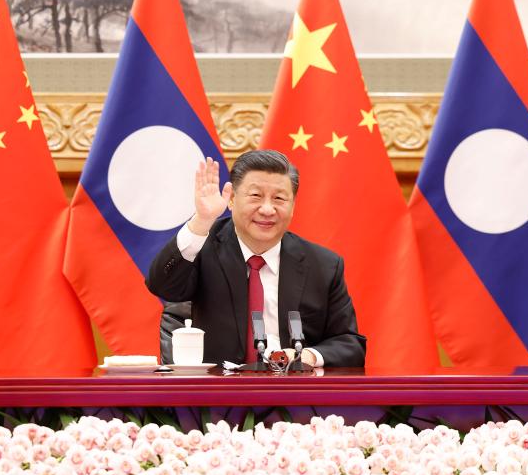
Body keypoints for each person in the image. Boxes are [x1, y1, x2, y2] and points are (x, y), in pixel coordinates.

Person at [146, 149, 366, 367]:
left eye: (279, 198)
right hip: (218, 394)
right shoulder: (202, 249)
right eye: (256, 196)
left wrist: (306, 356)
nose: (268, 209)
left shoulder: (323, 265)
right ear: (231, 199)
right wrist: (202, 221)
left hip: (293, 394)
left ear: (293, 206)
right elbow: (162, 286)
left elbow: (350, 345)